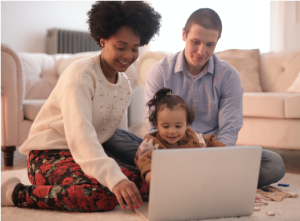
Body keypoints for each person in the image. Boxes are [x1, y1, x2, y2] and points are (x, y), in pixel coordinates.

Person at [1, 1, 161, 212]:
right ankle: (15, 192)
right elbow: (81, 136)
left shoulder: (124, 86)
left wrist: (139, 159)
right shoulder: (80, 74)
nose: (128, 56)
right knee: (99, 196)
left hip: (88, 154)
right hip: (49, 155)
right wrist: (115, 179)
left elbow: (111, 135)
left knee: (150, 183)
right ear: (103, 41)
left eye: (135, 48)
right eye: (120, 47)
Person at [144, 8, 285, 187]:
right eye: (196, 42)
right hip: (170, 148)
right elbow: (152, 124)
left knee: (274, 164)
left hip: (211, 151)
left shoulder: (228, 76)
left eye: (210, 44)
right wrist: (157, 157)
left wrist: (218, 159)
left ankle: (186, 180)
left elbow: (229, 128)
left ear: (217, 42)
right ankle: (212, 181)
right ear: (183, 34)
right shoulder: (160, 71)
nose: (201, 51)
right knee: (123, 141)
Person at [134, 87, 226, 183]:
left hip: (192, 177)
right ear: (156, 124)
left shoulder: (191, 136)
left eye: (178, 126)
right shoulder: (151, 142)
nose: (172, 131)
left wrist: (223, 147)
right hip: (166, 180)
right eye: (166, 126)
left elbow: (208, 140)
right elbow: (144, 158)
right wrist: (149, 171)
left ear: (186, 125)